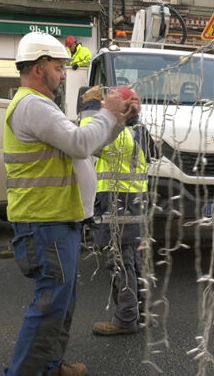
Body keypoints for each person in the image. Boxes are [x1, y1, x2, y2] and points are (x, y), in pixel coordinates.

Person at [3, 32, 139, 376]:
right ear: (38, 68)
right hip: (44, 221)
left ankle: (50, 366)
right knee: (50, 304)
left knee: (61, 303)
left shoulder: (41, 105)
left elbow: (87, 144)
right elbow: (80, 143)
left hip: (58, 219)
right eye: (59, 67)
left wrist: (118, 118)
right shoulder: (32, 105)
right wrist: (109, 113)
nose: (64, 73)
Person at [79, 86, 153, 335]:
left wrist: (90, 106)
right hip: (134, 205)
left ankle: (125, 319)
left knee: (119, 264)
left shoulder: (120, 133)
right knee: (133, 262)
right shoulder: (140, 131)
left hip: (116, 205)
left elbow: (86, 139)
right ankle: (141, 315)